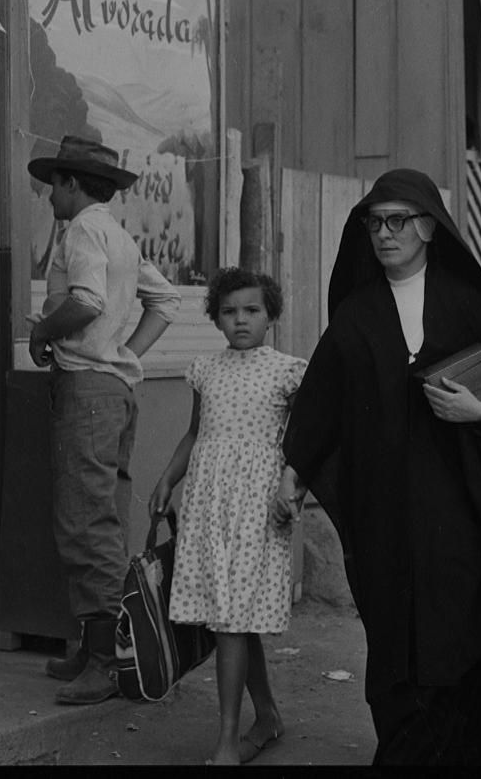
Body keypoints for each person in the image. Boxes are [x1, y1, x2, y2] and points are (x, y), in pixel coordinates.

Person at [281, 168, 481, 766]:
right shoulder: (357, 313)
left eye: (397, 220)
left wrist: (479, 414)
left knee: (465, 637)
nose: (383, 233)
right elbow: (321, 399)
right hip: (384, 510)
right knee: (394, 643)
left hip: (461, 510)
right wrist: (294, 470)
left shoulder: (468, 307)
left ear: (427, 226)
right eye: (374, 222)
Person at [25, 133, 180, 705]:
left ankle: (105, 658)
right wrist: (128, 354)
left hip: (88, 388)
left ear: (70, 184)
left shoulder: (84, 229)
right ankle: (106, 645)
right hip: (115, 388)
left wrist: (43, 331)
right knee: (106, 514)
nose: (48, 198)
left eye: (53, 186)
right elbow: (165, 303)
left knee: (85, 521)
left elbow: (86, 301)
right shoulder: (119, 235)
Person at [150, 267, 307, 766]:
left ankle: (226, 741)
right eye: (229, 311)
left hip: (258, 504)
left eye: (252, 310)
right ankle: (267, 717)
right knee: (231, 618)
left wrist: (293, 491)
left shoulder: (288, 371)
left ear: (271, 315)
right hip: (208, 501)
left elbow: (303, 445)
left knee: (233, 620)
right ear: (216, 318)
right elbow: (195, 433)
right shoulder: (205, 369)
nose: (240, 320)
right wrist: (167, 478)